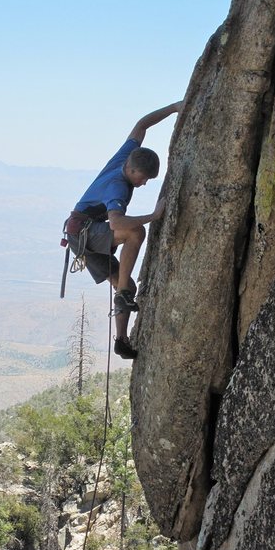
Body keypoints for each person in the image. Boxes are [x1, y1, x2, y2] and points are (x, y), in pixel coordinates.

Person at [65, 102, 182, 359]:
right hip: (86, 232)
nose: (143, 183)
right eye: (142, 178)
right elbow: (117, 224)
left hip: (81, 235)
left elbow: (142, 125)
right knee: (136, 232)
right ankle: (121, 296)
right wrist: (153, 216)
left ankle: (121, 340)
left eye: (148, 180)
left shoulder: (125, 156)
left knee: (127, 284)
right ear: (130, 169)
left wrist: (174, 108)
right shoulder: (118, 186)